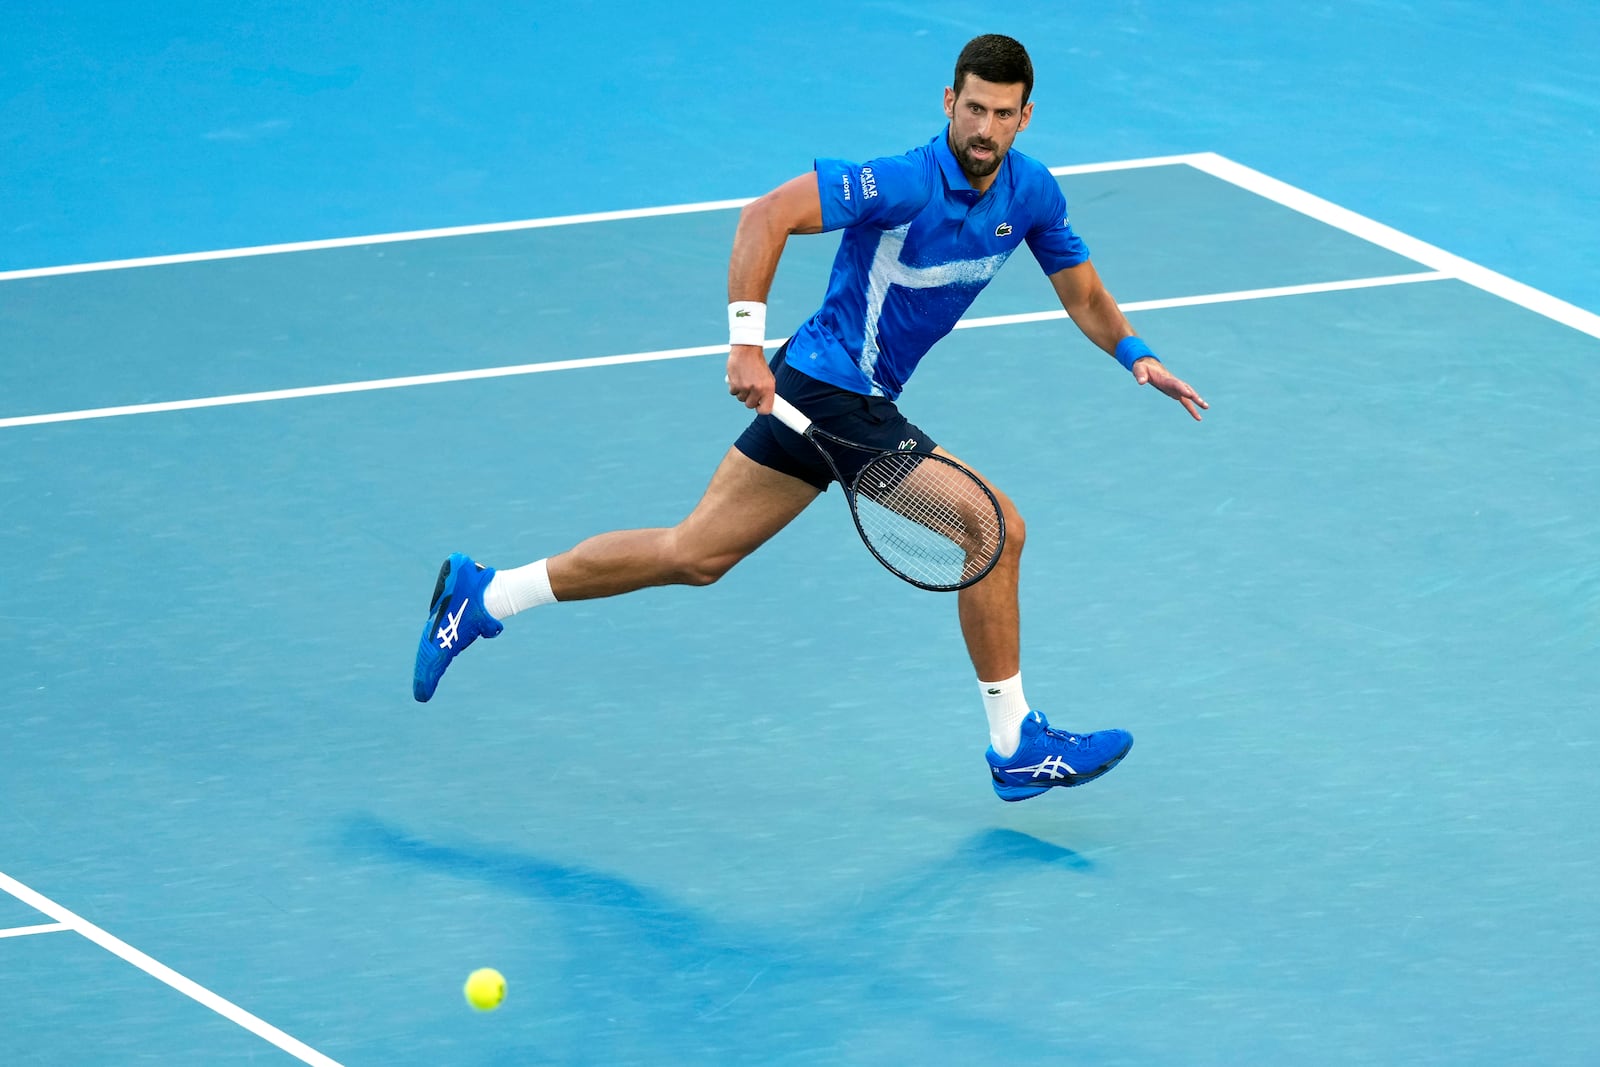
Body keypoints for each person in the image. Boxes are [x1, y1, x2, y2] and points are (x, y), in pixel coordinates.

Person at [413, 34, 1207, 802]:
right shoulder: (900, 182)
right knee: (994, 528)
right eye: (973, 110)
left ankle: (485, 596)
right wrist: (743, 344)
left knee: (695, 553)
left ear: (1025, 117)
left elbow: (1086, 295)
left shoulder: (1031, 192)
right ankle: (1014, 746)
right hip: (833, 392)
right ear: (948, 103)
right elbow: (765, 215)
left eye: (1003, 115)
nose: (984, 129)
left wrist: (1134, 352)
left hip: (825, 390)